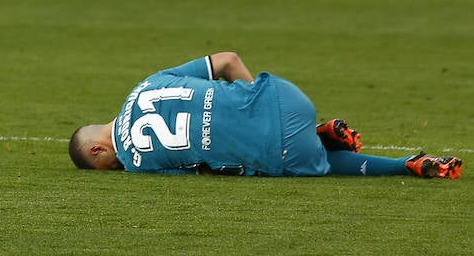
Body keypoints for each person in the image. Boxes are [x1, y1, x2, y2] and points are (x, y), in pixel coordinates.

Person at [69, 51, 463, 179]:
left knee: (312, 161)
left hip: (285, 149)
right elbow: (227, 59)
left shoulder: (138, 163)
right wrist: (255, 94)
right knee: (275, 127)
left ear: (100, 152)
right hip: (283, 93)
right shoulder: (146, 83)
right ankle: (320, 128)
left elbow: (206, 168)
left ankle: (405, 165)